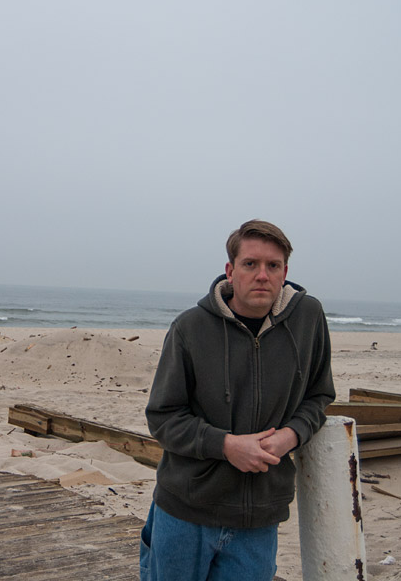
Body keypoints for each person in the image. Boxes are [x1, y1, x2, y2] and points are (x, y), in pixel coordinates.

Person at [140, 220, 335, 581]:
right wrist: (226, 445)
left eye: (273, 266)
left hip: (259, 518)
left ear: (285, 272)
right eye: (250, 264)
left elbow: (319, 396)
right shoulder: (189, 328)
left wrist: (291, 435)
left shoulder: (309, 319)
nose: (262, 275)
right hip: (185, 512)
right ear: (230, 271)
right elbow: (163, 417)